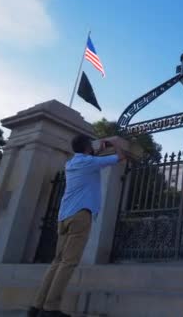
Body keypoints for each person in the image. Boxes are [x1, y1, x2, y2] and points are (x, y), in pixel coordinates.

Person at [28, 135, 125, 317]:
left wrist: (98, 150)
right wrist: (118, 145)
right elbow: (120, 158)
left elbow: (91, 159)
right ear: (88, 147)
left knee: (57, 262)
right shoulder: (89, 163)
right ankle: (51, 308)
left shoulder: (71, 163)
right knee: (69, 263)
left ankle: (36, 306)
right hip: (81, 215)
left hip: (64, 216)